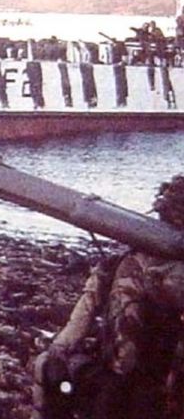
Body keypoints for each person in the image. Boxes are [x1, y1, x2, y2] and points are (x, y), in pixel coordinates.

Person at [33, 175, 184, 419]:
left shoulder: (120, 266)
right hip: (137, 380)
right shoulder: (121, 267)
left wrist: (59, 349)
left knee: (51, 368)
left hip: (135, 378)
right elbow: (85, 311)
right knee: (53, 369)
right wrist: (59, 352)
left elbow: (84, 312)